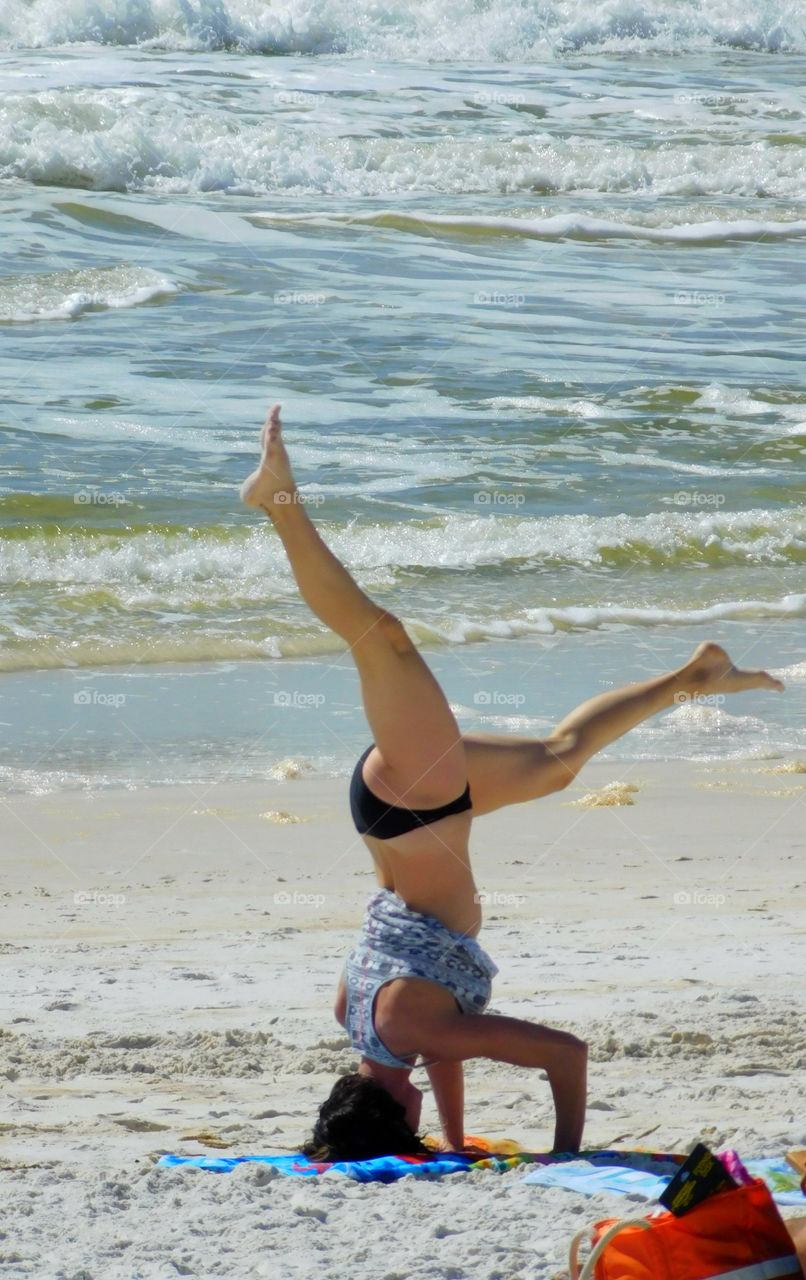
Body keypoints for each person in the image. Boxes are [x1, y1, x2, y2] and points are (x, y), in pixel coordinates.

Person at [241, 405, 784, 1161]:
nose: (423, 1120)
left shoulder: (411, 1032)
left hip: (420, 802)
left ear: (394, 1116)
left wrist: (569, 1158)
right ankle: (696, 676)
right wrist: (456, 1141)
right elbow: (440, 1045)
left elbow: (566, 1053)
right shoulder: (367, 1026)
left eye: (417, 1128)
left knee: (380, 640)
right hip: (405, 813)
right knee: (561, 757)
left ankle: (279, 503)